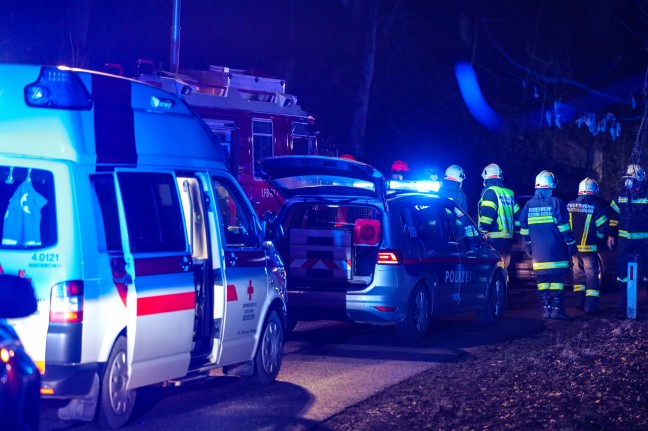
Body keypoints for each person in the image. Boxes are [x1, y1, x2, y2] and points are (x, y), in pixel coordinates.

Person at [519, 170, 577, 319]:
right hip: (556, 251)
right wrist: (570, 242)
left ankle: (546, 309)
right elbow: (564, 226)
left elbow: (523, 228)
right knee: (557, 280)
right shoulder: (556, 202)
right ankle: (557, 310)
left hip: (538, 254)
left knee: (542, 281)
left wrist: (527, 245)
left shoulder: (528, 205)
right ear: (550, 186)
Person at [607, 164, 648, 311]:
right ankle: (623, 300)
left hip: (644, 241)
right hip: (624, 240)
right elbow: (613, 215)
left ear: (639, 179)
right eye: (627, 178)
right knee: (622, 271)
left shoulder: (646, 194)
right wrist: (611, 234)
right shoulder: (621, 195)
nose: (628, 181)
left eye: (630, 178)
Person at [567, 178, 608, 314]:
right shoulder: (596, 208)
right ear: (594, 191)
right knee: (591, 276)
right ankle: (591, 307)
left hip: (573, 248)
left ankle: (578, 302)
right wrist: (598, 239)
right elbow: (603, 228)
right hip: (589, 248)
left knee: (578, 275)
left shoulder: (570, 206)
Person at [477, 163, 520, 269]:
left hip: (493, 239)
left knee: (492, 269)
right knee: (503, 269)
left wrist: (481, 232)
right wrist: (518, 233)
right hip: (508, 239)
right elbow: (518, 215)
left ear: (486, 179)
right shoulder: (509, 193)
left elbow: (488, 215)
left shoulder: (490, 192)